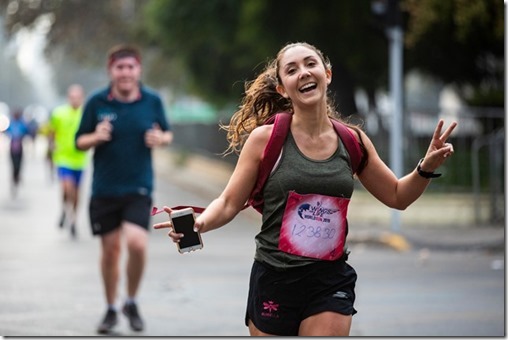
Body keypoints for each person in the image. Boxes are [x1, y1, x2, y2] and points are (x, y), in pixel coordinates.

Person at [153, 42, 457, 336]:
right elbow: (230, 202)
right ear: (283, 88)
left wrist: (425, 168)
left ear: (327, 74)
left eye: (311, 64)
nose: (304, 72)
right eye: (292, 69)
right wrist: (201, 222)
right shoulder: (265, 139)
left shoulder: (353, 141)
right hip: (275, 276)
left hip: (329, 280)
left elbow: (397, 196)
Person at [75, 44, 173, 334]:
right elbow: (78, 141)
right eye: (120, 67)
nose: (126, 72)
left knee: (137, 244)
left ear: (138, 70)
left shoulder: (152, 101)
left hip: (138, 186)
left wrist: (160, 138)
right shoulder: (97, 102)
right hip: (104, 188)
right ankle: (110, 308)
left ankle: (131, 300)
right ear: (111, 70)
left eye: (131, 67)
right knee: (110, 251)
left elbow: (166, 132)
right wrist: (96, 136)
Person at [48, 84, 89, 238]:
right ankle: (65, 209)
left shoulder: (85, 114)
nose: (75, 100)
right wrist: (51, 149)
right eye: (72, 97)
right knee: (66, 188)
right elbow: (52, 132)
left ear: (82, 98)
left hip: (79, 159)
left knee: (77, 194)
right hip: (63, 158)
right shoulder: (59, 113)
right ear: (68, 98)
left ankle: (73, 220)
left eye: (78, 97)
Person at [4, 109, 30, 198]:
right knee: (13, 165)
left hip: (20, 147)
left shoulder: (21, 123)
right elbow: (6, 131)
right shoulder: (11, 123)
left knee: (19, 165)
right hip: (12, 147)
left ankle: (17, 176)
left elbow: (26, 131)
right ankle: (14, 177)